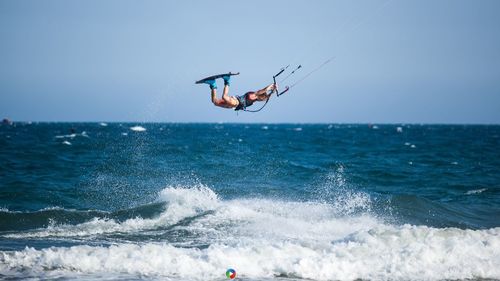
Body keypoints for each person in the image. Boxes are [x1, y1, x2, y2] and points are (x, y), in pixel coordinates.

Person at [202, 75, 277, 111]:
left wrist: (272, 92)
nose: (261, 100)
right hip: (235, 102)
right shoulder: (254, 95)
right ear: (260, 95)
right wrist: (270, 86)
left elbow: (266, 97)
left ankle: (213, 84)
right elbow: (263, 90)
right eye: (262, 98)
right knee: (224, 97)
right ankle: (227, 80)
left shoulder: (255, 100)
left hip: (232, 106)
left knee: (215, 102)